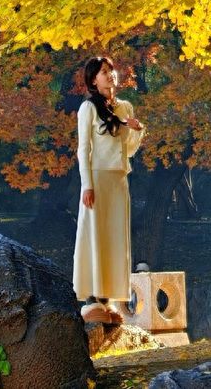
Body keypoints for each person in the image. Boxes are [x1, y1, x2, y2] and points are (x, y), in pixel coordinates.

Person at [72, 55, 146, 321]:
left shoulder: (124, 108)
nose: (110, 75)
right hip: (97, 179)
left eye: (111, 70)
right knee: (95, 234)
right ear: (94, 79)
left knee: (116, 237)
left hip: (118, 179)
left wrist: (136, 129)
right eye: (104, 72)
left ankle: (109, 298)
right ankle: (93, 297)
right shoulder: (88, 108)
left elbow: (129, 148)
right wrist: (86, 185)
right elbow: (84, 150)